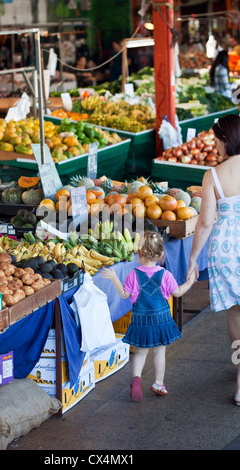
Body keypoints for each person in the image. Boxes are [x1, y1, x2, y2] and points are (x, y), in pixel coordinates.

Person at [102, 231, 196, 402]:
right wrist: (189, 282)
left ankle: (136, 379)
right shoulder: (165, 275)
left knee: (139, 352)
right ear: (161, 254)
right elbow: (178, 292)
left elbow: (124, 294)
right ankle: (158, 383)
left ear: (139, 254)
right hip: (161, 321)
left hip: (140, 321)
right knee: (159, 352)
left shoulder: (133, 275)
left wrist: (114, 277)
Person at [186, 114, 240, 405]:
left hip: (226, 250)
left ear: (225, 139)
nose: (216, 146)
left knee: (236, 314)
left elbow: (205, 223)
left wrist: (193, 259)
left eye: (217, 140)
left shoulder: (214, 175)